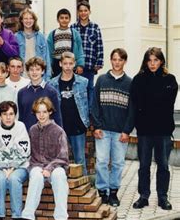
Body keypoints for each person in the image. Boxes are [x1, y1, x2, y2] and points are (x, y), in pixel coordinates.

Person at [130, 47, 178, 211]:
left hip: (163, 130)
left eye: (155, 60)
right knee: (144, 166)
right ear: (145, 62)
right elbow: (137, 104)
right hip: (144, 130)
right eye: (149, 60)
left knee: (163, 166)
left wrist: (149, 102)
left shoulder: (170, 80)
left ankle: (163, 197)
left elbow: (167, 103)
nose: (152, 64)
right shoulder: (138, 79)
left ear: (161, 61)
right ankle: (143, 196)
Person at [20, 97, 70, 220]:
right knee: (35, 176)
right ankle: (27, 219)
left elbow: (63, 156)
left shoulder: (58, 131)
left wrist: (49, 168)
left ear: (50, 112)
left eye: (44, 112)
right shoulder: (32, 130)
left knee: (59, 176)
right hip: (37, 165)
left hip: (55, 165)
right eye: (38, 112)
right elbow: (28, 153)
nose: (41, 115)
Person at [91, 48, 135, 206]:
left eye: (120, 60)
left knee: (117, 163)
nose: (117, 63)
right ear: (111, 60)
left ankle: (114, 192)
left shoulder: (130, 83)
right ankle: (103, 192)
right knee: (101, 161)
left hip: (120, 132)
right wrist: (96, 126)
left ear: (124, 61)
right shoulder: (102, 80)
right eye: (114, 59)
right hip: (103, 130)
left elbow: (132, 110)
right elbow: (94, 104)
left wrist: (127, 130)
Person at [0, 101, 30, 220]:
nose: (8, 117)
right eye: (5, 114)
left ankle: (17, 218)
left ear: (15, 115)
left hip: (19, 166)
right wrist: (3, 168)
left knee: (14, 179)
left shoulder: (20, 127)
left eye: (11, 114)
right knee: (0, 179)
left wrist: (12, 167)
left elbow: (24, 151)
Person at [49, 52, 89, 176]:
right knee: (60, 161)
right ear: (60, 64)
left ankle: (85, 189)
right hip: (60, 127)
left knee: (80, 160)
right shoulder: (52, 84)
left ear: (74, 64)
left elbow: (89, 103)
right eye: (65, 63)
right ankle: (63, 188)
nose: (67, 66)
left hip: (78, 126)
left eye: (70, 63)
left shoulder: (83, 82)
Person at [71, 1, 104, 108]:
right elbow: (70, 48)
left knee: (90, 90)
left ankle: (89, 117)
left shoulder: (95, 27)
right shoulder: (73, 28)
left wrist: (98, 63)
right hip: (75, 68)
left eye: (85, 10)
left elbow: (99, 46)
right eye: (81, 11)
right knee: (77, 91)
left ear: (89, 12)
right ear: (77, 12)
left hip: (90, 66)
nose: (83, 13)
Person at [17, 56, 62, 130]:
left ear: (43, 71)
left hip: (47, 135)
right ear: (27, 72)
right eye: (31, 70)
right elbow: (21, 118)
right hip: (27, 134)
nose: (34, 72)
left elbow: (57, 117)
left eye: (37, 69)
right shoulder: (21, 93)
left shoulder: (51, 92)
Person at [47, 8, 85, 78]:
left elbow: (80, 50)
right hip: (57, 64)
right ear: (58, 20)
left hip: (70, 63)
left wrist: (80, 64)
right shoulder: (52, 34)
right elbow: (48, 52)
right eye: (61, 18)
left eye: (66, 18)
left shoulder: (74, 33)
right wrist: (49, 66)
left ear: (69, 19)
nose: (64, 20)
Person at [15, 8, 50, 81]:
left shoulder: (41, 37)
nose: (28, 21)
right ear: (21, 20)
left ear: (34, 20)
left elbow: (47, 58)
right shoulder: (16, 37)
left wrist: (48, 77)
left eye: (31, 18)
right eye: (26, 18)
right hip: (22, 75)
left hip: (38, 75)